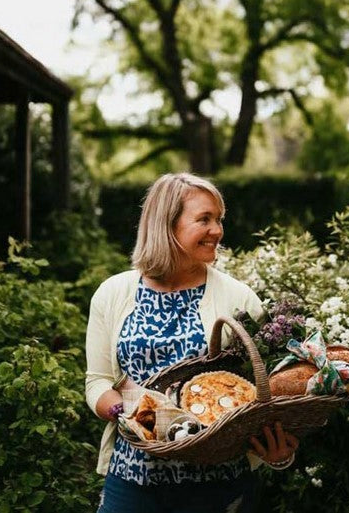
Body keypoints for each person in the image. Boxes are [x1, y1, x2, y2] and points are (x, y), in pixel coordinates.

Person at [86, 172, 299, 513]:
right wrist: (124, 412)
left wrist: (278, 454)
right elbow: (97, 382)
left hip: (217, 486)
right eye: (204, 219)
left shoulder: (238, 298)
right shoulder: (114, 293)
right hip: (132, 481)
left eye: (219, 219)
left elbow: (269, 387)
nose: (217, 230)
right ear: (166, 225)